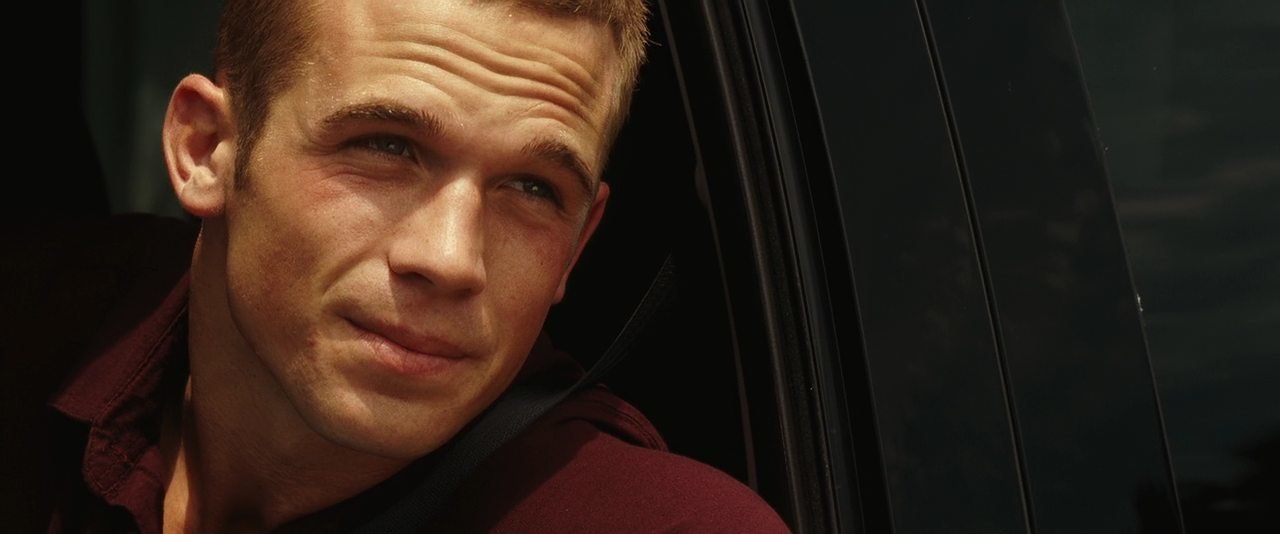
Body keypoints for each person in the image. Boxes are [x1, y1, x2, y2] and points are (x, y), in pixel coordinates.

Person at [2, 0, 790, 532]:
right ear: (207, 149)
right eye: (386, 147)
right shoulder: (35, 327)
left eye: (532, 189)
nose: (449, 259)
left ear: (579, 245)